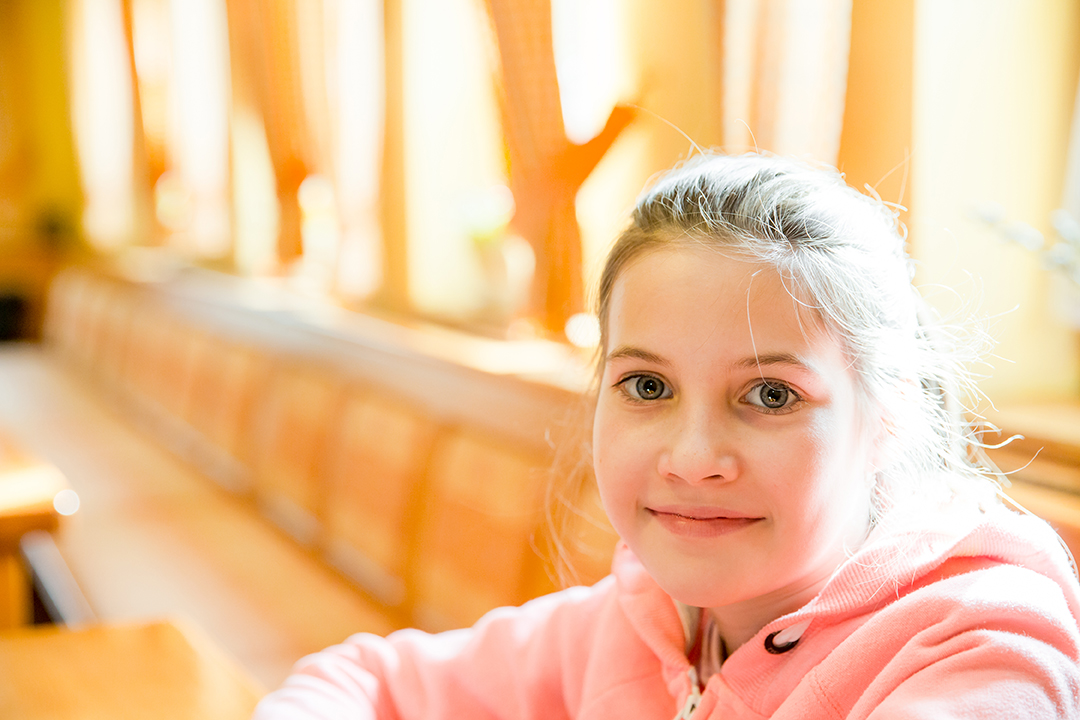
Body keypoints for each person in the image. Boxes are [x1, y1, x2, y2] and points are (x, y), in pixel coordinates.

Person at [252, 153, 1080, 719]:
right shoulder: (637, 621)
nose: (691, 458)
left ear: (888, 410)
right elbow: (365, 680)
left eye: (769, 393)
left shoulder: (979, 647)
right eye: (647, 386)